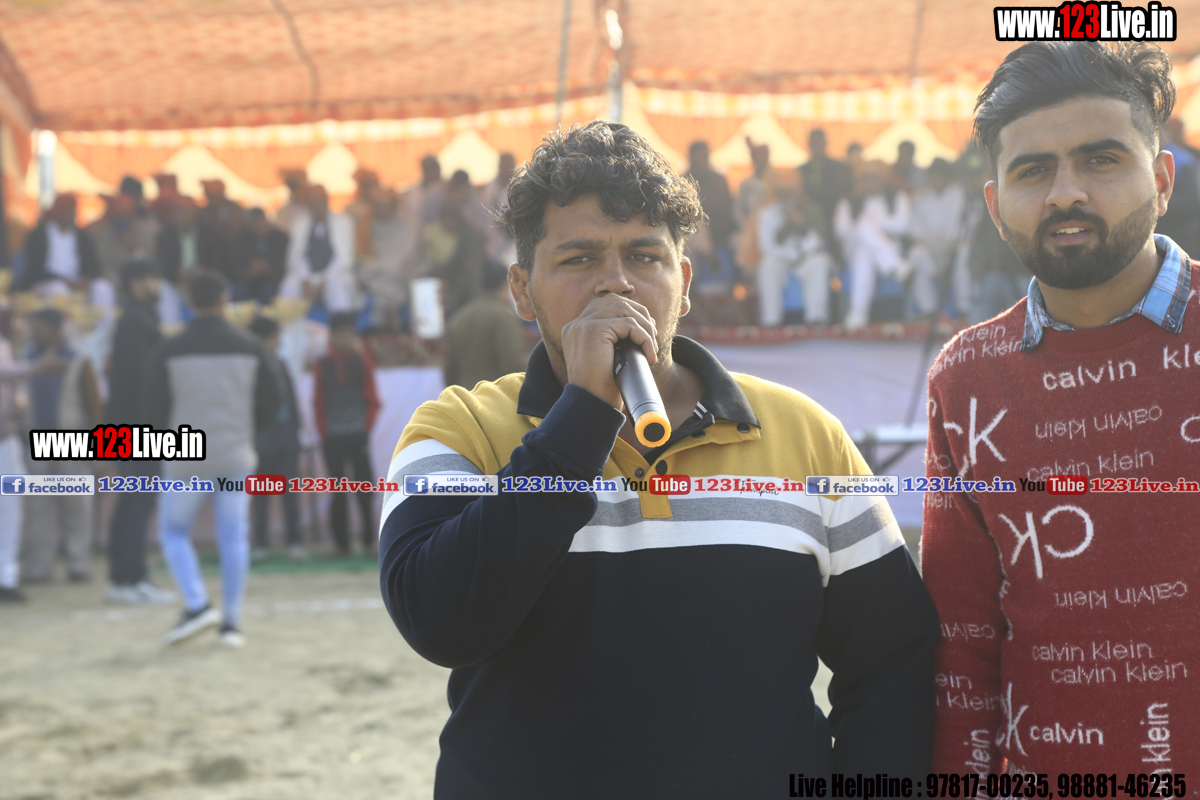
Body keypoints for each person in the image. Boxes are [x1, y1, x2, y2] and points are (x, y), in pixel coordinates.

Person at [380, 121, 939, 797]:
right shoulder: (458, 429)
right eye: (579, 259)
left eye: (645, 257)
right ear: (522, 290)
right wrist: (579, 422)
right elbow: (441, 622)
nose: (615, 285)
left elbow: (893, 660)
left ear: (684, 280)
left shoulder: (806, 435)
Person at [922, 41, 1199, 774]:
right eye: (1033, 170)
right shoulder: (967, 378)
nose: (1065, 194)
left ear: (1161, 180)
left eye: (1100, 160)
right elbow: (962, 640)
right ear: (995, 206)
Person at [142, 271, 280, 647]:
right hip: (235, 451)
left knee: (173, 532)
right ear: (224, 300)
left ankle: (197, 603)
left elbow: (152, 408)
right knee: (234, 536)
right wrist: (246, 429)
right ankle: (231, 624)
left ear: (190, 303)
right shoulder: (250, 345)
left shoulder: (170, 348)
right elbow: (273, 401)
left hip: (185, 455)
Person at [104, 261, 175, 605]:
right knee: (138, 500)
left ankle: (126, 578)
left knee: (135, 500)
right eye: (152, 279)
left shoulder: (138, 317)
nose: (157, 285)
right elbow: (140, 376)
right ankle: (129, 579)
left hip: (131, 423)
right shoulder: (136, 320)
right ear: (135, 284)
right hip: (136, 424)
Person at [19, 308, 103, 584]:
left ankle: (77, 563)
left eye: (39, 326)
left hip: (71, 438)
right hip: (34, 439)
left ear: (56, 330)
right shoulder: (27, 360)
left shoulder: (78, 359)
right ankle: (38, 566)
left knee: (77, 506)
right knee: (37, 507)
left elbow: (93, 404)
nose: (33, 331)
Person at [312, 312, 379, 557]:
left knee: (365, 490)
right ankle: (341, 545)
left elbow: (372, 400)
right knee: (338, 491)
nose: (344, 338)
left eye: (348, 334)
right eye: (340, 334)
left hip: (358, 435)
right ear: (331, 336)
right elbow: (318, 402)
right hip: (332, 438)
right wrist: (324, 432)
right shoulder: (322, 364)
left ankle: (369, 542)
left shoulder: (362, 361)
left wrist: (365, 429)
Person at [247, 316, 304, 562]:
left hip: (287, 438)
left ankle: (294, 542)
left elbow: (291, 401)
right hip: (261, 440)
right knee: (261, 495)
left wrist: (296, 431)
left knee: (290, 493)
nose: (278, 342)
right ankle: (260, 544)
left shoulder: (281, 364)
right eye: (274, 338)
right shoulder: (249, 367)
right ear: (261, 340)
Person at [834, 161, 913, 329]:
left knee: (864, 253)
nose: (869, 181)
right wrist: (868, 227)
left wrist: (873, 226)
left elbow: (904, 224)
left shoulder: (897, 196)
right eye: (865, 177)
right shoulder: (848, 200)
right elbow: (841, 230)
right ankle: (897, 268)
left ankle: (858, 314)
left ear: (883, 179)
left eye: (874, 177)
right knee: (863, 228)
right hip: (853, 248)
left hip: (889, 246)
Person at [442, 262, 530, 389]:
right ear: (505, 286)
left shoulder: (460, 316)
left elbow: (449, 369)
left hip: (464, 396)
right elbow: (513, 363)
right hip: (494, 396)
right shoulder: (503, 317)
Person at [756, 187, 833, 325]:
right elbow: (767, 247)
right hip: (779, 258)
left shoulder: (810, 210)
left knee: (819, 262)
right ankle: (771, 321)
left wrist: (802, 223)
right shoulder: (767, 213)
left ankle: (816, 319)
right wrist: (789, 253)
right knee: (767, 265)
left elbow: (817, 240)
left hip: (804, 257)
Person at [908, 158, 966, 318]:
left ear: (947, 177)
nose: (936, 179)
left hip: (953, 247)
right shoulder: (923, 196)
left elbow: (957, 229)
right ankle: (928, 310)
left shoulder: (958, 194)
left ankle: (963, 307)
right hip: (931, 248)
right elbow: (914, 228)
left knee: (964, 252)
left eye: (940, 175)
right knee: (915, 255)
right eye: (933, 176)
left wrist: (945, 245)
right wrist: (932, 241)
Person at [684, 140, 738, 290]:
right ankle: (691, 285)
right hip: (694, 230)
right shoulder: (683, 180)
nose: (704, 158)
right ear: (691, 157)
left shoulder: (719, 179)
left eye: (706, 155)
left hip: (721, 229)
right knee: (696, 227)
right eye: (700, 155)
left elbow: (728, 208)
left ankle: (737, 285)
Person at [232, 208, 288, 303]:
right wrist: (250, 271)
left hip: (272, 278)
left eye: (263, 222)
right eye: (257, 224)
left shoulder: (281, 238)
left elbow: (285, 266)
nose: (262, 226)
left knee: (269, 288)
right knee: (240, 290)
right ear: (250, 226)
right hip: (247, 279)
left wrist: (267, 268)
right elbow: (235, 268)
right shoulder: (240, 240)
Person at [480, 152, 518, 263]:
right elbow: (484, 219)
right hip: (492, 242)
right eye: (505, 165)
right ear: (499, 166)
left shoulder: (521, 188)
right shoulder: (488, 190)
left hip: (514, 242)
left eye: (510, 165)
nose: (507, 169)